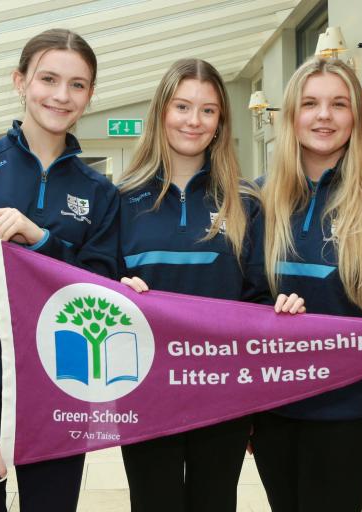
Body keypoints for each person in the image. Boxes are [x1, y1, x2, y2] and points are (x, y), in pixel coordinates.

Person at [0, 28, 119, 512]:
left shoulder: (100, 193)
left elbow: (100, 294)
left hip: (58, 399)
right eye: (48, 78)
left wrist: (41, 240)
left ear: (91, 94)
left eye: (77, 84)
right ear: (20, 81)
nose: (61, 94)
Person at [252, 57, 362, 511]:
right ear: (290, 116)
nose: (323, 116)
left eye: (338, 104)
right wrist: (271, 307)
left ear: (355, 117)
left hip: (353, 406)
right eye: (310, 103)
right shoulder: (258, 198)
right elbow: (243, 296)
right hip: (275, 401)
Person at [117, 58, 270, 512]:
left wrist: (256, 395)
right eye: (182, 106)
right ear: (162, 112)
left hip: (220, 388)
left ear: (221, 121)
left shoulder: (245, 202)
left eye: (207, 110)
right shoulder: (122, 198)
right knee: (152, 503)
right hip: (144, 389)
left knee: (215, 502)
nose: (194, 121)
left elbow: (258, 299)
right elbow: (95, 285)